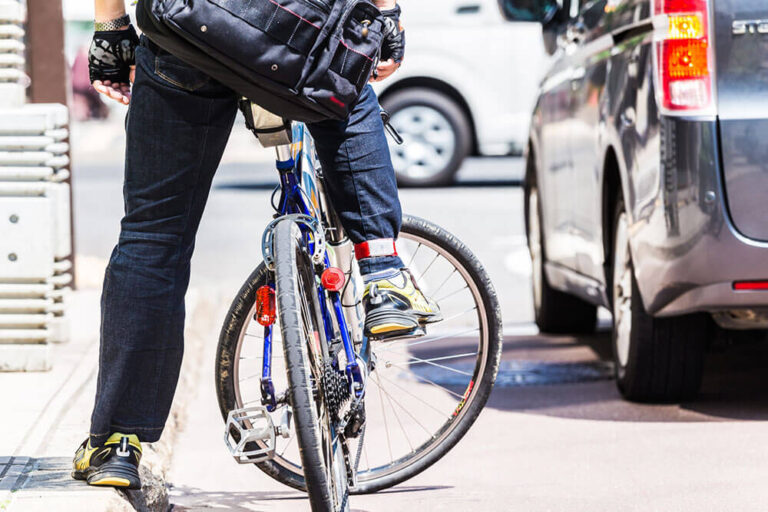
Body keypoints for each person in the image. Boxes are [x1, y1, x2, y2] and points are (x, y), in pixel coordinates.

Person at [72, 0, 442, 490]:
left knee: (153, 234)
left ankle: (117, 443)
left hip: (190, 27)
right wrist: (386, 14)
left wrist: (112, 25)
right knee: (349, 86)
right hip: (301, 27)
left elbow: (118, 23)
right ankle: (383, 275)